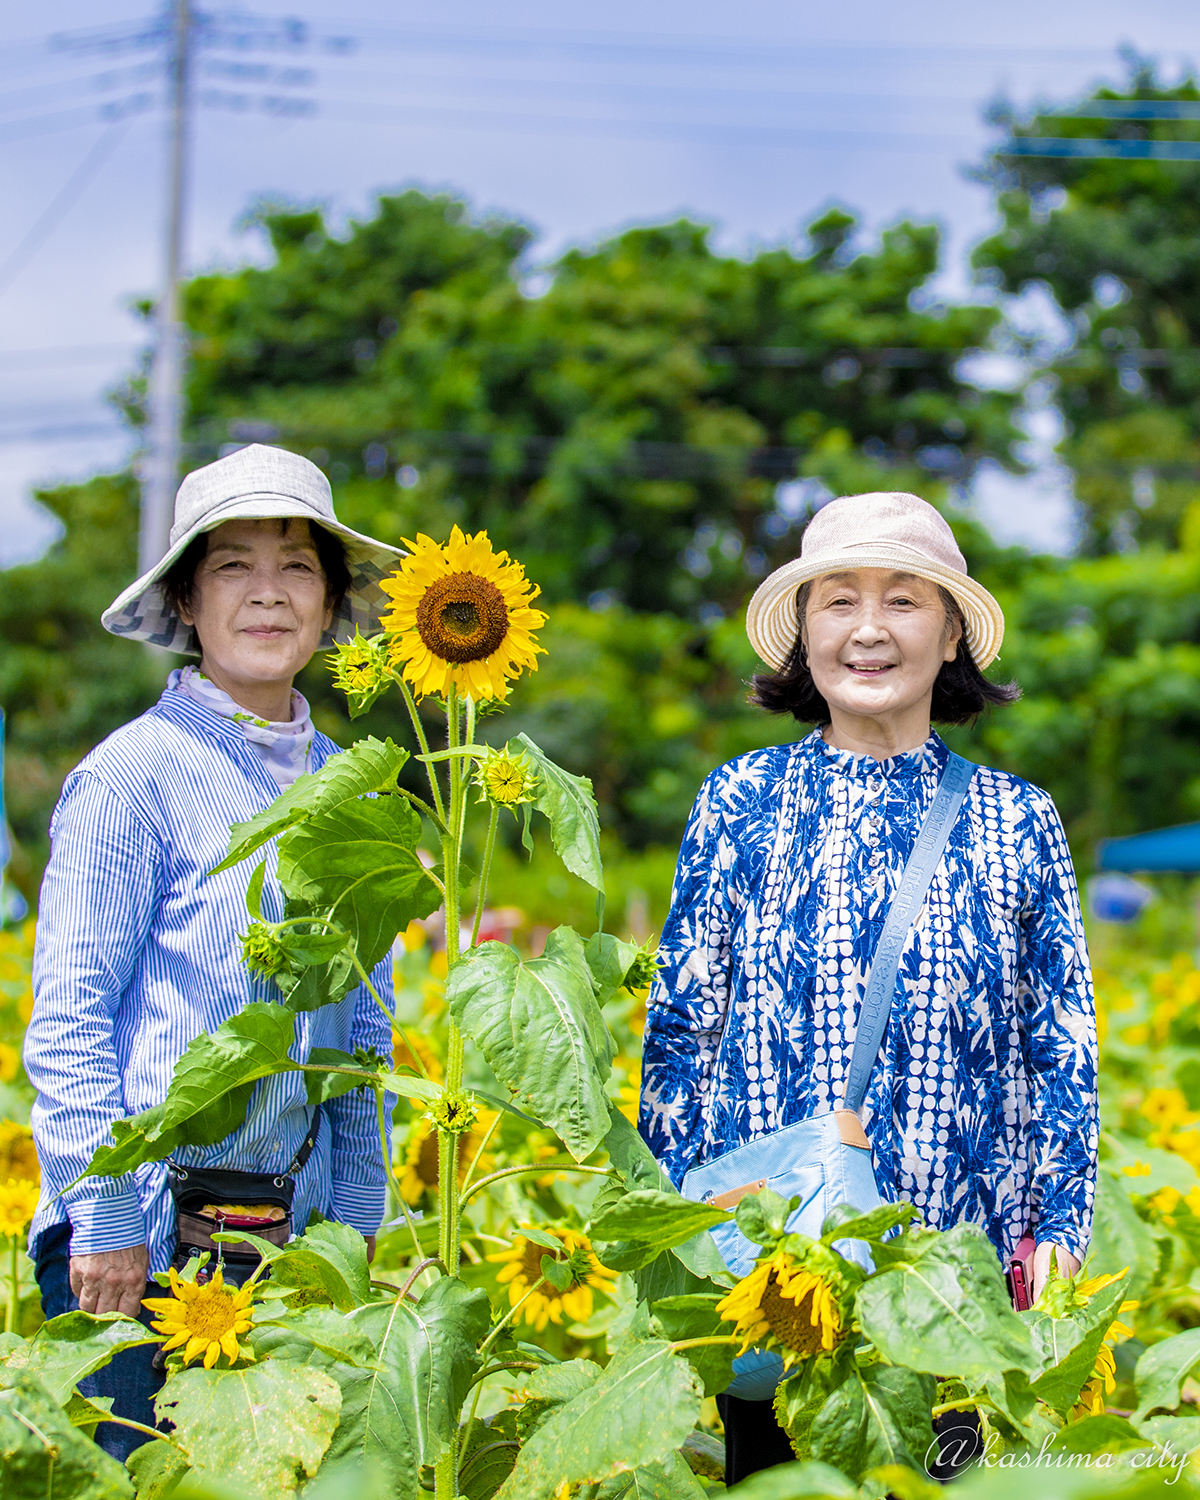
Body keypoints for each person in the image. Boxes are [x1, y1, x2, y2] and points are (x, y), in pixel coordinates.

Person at [637, 491, 1097, 1484]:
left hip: (952, 1282)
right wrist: (676, 1224)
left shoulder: (1016, 820)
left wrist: (1058, 1230)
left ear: (952, 637)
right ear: (804, 638)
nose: (871, 629)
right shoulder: (740, 800)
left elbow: (1063, 1047)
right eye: (839, 601)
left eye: (905, 600)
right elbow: (682, 1026)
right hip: (770, 1279)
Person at [23, 444, 403, 1458]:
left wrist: (360, 1217)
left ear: (330, 605)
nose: (268, 595)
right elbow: (69, 1020)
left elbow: (361, 1026)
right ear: (189, 599)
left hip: (292, 1247)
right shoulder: (134, 777)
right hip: (139, 1242)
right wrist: (101, 1217)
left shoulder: (355, 784)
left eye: (297, 567)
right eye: (234, 566)